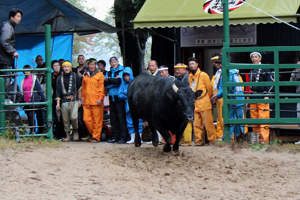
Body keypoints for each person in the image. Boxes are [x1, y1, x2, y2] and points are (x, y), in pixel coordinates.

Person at [211, 57, 245, 140]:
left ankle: (227, 138)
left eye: (221, 63)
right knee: (239, 120)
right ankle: (239, 138)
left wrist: (217, 95)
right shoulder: (235, 72)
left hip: (232, 99)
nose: (220, 65)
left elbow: (226, 88)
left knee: (230, 119)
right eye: (219, 63)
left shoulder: (227, 73)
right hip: (239, 99)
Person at [188, 57, 216, 146]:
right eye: (190, 64)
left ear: (197, 64)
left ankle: (212, 141)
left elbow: (209, 87)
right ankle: (199, 141)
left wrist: (211, 98)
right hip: (195, 104)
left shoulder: (203, 75)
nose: (191, 66)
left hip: (204, 103)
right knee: (196, 124)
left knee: (208, 124)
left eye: (193, 64)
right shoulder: (190, 76)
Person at [248, 52, 273, 144]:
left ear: (260, 59)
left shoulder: (265, 68)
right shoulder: (251, 69)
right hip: (253, 96)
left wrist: (267, 94)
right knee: (254, 118)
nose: (254, 59)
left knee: (263, 118)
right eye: (252, 57)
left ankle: (264, 140)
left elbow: (270, 82)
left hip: (262, 95)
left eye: (256, 57)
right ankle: (256, 140)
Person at [56, 61, 82, 142]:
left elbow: (80, 88)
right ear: (62, 68)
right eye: (65, 67)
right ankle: (67, 135)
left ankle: (75, 132)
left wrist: (80, 100)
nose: (66, 68)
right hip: (64, 100)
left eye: (68, 67)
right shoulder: (59, 78)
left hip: (74, 100)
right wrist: (58, 103)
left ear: (70, 68)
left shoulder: (75, 76)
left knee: (74, 117)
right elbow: (58, 92)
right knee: (65, 119)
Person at [81, 58, 105, 143]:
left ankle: (96, 137)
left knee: (97, 120)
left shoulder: (100, 75)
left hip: (96, 101)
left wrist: (100, 99)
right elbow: (83, 88)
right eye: (90, 64)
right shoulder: (85, 75)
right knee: (86, 119)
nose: (91, 66)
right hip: (87, 101)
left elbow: (102, 88)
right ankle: (94, 134)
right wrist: (82, 98)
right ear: (87, 65)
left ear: (96, 65)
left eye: (93, 64)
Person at [105, 56, 128, 144]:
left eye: (115, 61)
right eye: (112, 62)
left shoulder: (122, 71)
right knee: (113, 118)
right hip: (111, 97)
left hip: (119, 97)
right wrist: (113, 80)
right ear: (110, 64)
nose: (113, 63)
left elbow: (120, 82)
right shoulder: (109, 72)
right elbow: (105, 85)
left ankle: (123, 137)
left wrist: (110, 80)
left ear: (118, 62)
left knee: (121, 117)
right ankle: (115, 137)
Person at [118, 67, 143, 144]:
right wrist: (129, 95)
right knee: (129, 122)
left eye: (127, 75)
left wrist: (127, 94)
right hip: (128, 106)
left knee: (139, 121)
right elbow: (119, 95)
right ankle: (132, 138)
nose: (126, 77)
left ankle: (139, 137)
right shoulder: (122, 84)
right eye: (125, 76)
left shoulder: (136, 83)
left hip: (137, 106)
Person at [0, 8, 22, 95]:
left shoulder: (8, 26)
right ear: (12, 17)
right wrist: (12, 52)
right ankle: (3, 101)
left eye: (20, 17)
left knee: (5, 80)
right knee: (5, 80)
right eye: (18, 16)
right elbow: (4, 41)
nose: (19, 18)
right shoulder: (8, 27)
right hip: (4, 58)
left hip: (4, 58)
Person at [20, 65, 46, 134]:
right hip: (26, 101)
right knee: (29, 116)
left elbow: (39, 90)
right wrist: (21, 101)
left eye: (28, 70)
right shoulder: (23, 80)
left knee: (31, 115)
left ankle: (33, 131)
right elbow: (22, 92)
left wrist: (44, 100)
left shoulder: (34, 78)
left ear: (30, 71)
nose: (26, 72)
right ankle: (32, 130)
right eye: (25, 70)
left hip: (34, 100)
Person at [174, 63, 192, 145]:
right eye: (176, 69)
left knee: (187, 119)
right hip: (180, 103)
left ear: (184, 69)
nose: (177, 71)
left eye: (179, 69)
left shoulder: (187, 78)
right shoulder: (176, 79)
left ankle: (187, 140)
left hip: (187, 103)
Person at [74, 55, 89, 139]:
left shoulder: (87, 70)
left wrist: (82, 76)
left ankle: (86, 133)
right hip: (76, 94)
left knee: (85, 115)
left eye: (82, 59)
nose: (81, 60)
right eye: (79, 59)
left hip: (85, 94)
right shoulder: (74, 70)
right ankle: (78, 133)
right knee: (77, 115)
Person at [210, 54, 224, 141]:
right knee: (219, 118)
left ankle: (226, 136)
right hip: (218, 97)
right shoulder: (217, 73)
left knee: (223, 118)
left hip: (223, 97)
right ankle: (221, 136)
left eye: (219, 63)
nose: (218, 64)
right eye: (216, 63)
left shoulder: (229, 72)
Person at [51, 60, 64, 139]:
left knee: (63, 116)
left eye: (58, 65)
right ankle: (56, 134)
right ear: (52, 67)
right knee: (56, 116)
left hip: (63, 97)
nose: (56, 67)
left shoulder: (63, 75)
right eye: (55, 66)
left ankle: (62, 134)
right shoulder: (51, 75)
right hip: (54, 98)